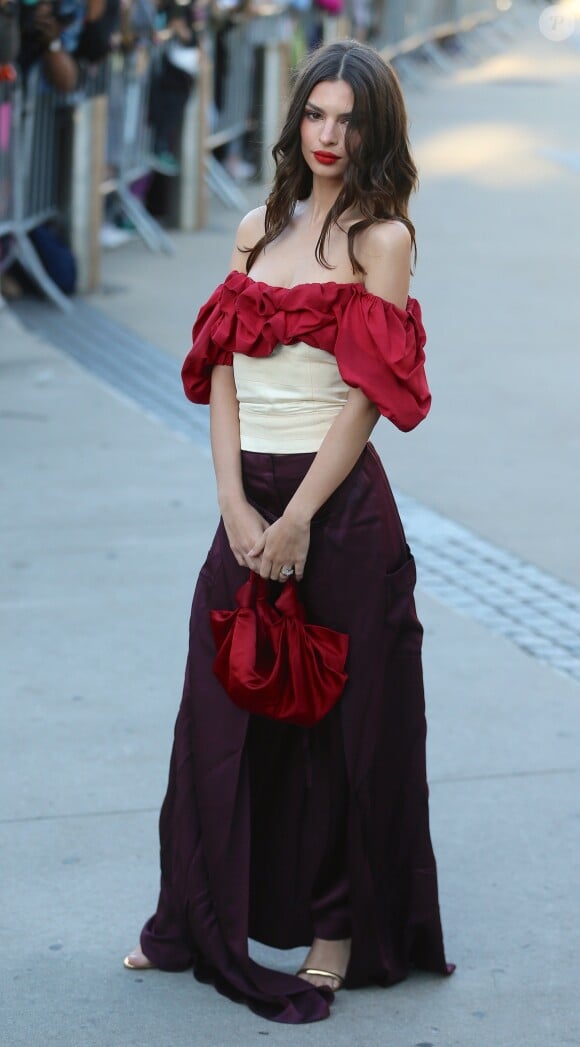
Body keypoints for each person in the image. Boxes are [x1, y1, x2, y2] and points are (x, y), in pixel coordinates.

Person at [124, 39, 454, 1024]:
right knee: (217, 712)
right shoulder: (255, 226)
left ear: (375, 132)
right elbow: (221, 369)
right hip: (246, 500)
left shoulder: (379, 239)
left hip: (338, 509)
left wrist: (300, 517)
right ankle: (191, 913)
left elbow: (365, 397)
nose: (328, 135)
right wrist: (232, 503)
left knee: (343, 732)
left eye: (350, 120)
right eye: (316, 113)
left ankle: (335, 929)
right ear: (293, 119)